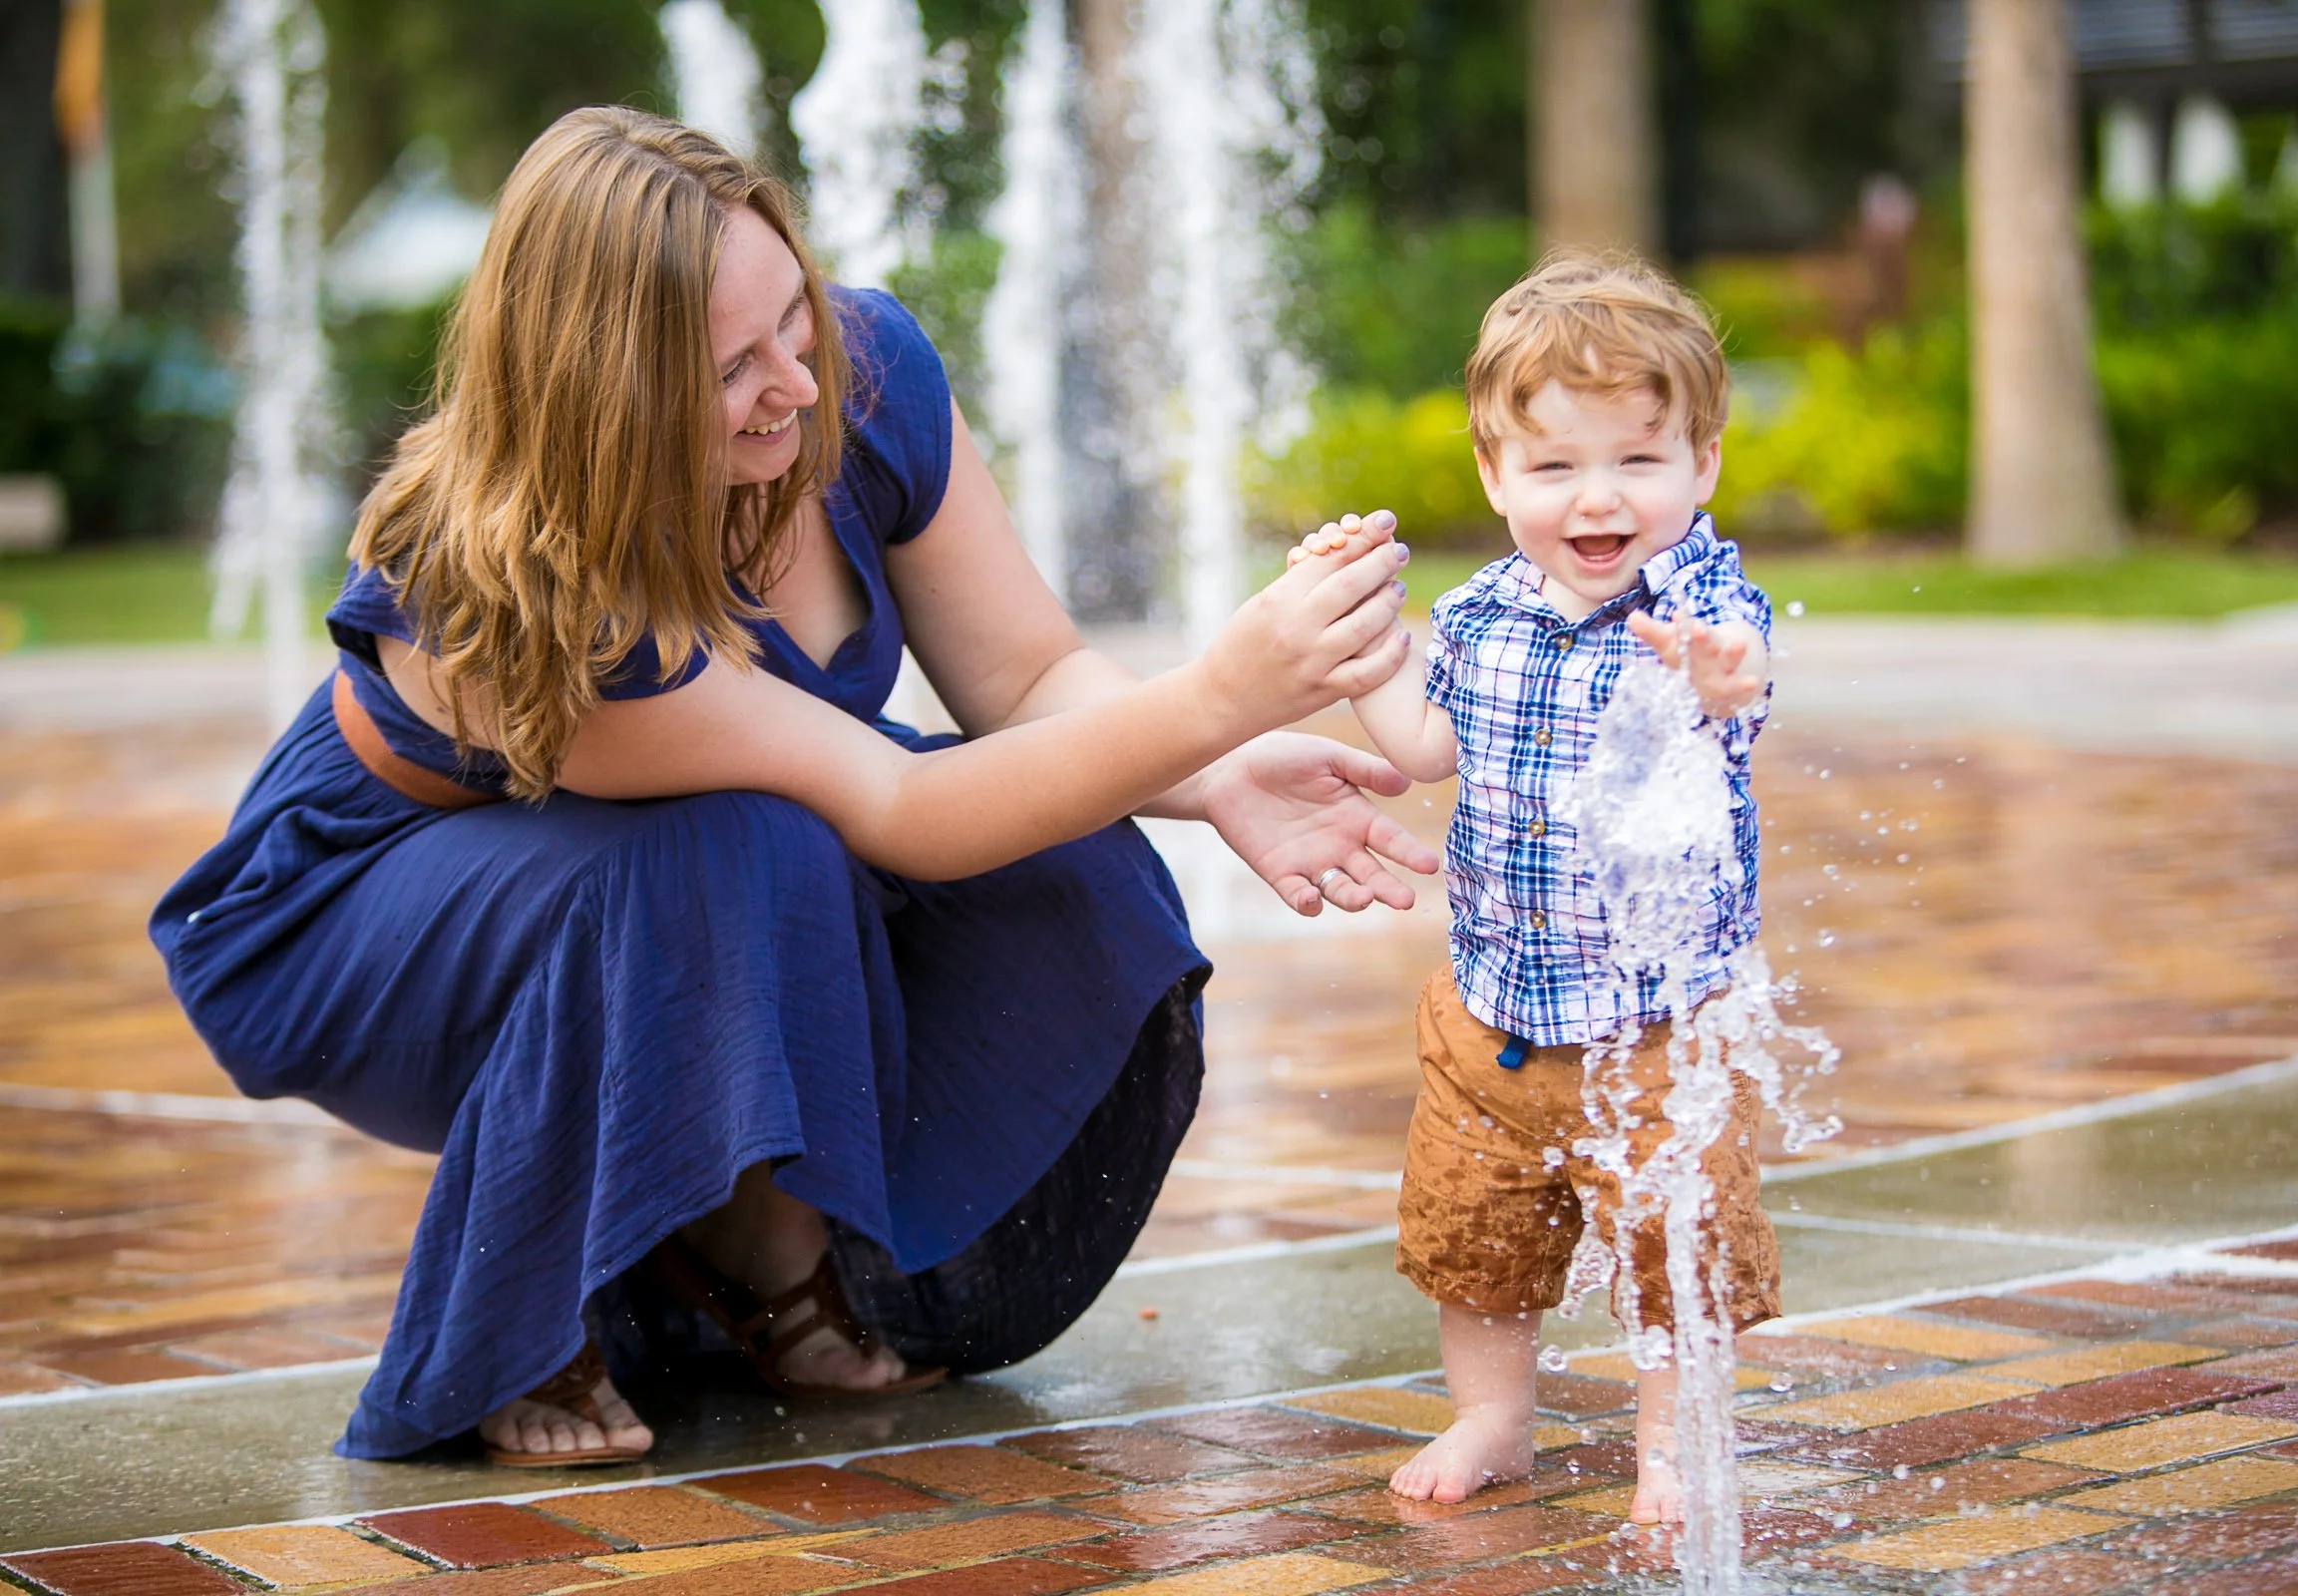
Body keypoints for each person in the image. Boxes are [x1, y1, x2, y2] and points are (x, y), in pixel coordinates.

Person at [150, 107, 1437, 1466]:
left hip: (635, 882)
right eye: (733, 366)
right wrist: (1223, 688)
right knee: (743, 847)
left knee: (1057, 850)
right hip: (351, 918)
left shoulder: (862, 372)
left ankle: (740, 1243)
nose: (800, 385)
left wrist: (1217, 765)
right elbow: (905, 815)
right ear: (611, 400)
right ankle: (555, 1308)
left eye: (795, 322)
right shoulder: (542, 595)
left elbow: (1031, 679)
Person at [1290, 254, 1779, 1517]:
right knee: (1476, 1239)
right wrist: (1365, 649)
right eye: (1556, 467)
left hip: (1655, 1026)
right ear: (1495, 473)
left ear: (1702, 466)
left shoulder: (1699, 601)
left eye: (1638, 461)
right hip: (1494, 1022)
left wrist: (1725, 678)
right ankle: (1493, 1414)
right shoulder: (1481, 615)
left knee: (1677, 1244)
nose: (1598, 498)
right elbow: (1423, 749)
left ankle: (1671, 1439)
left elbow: (1746, 672)